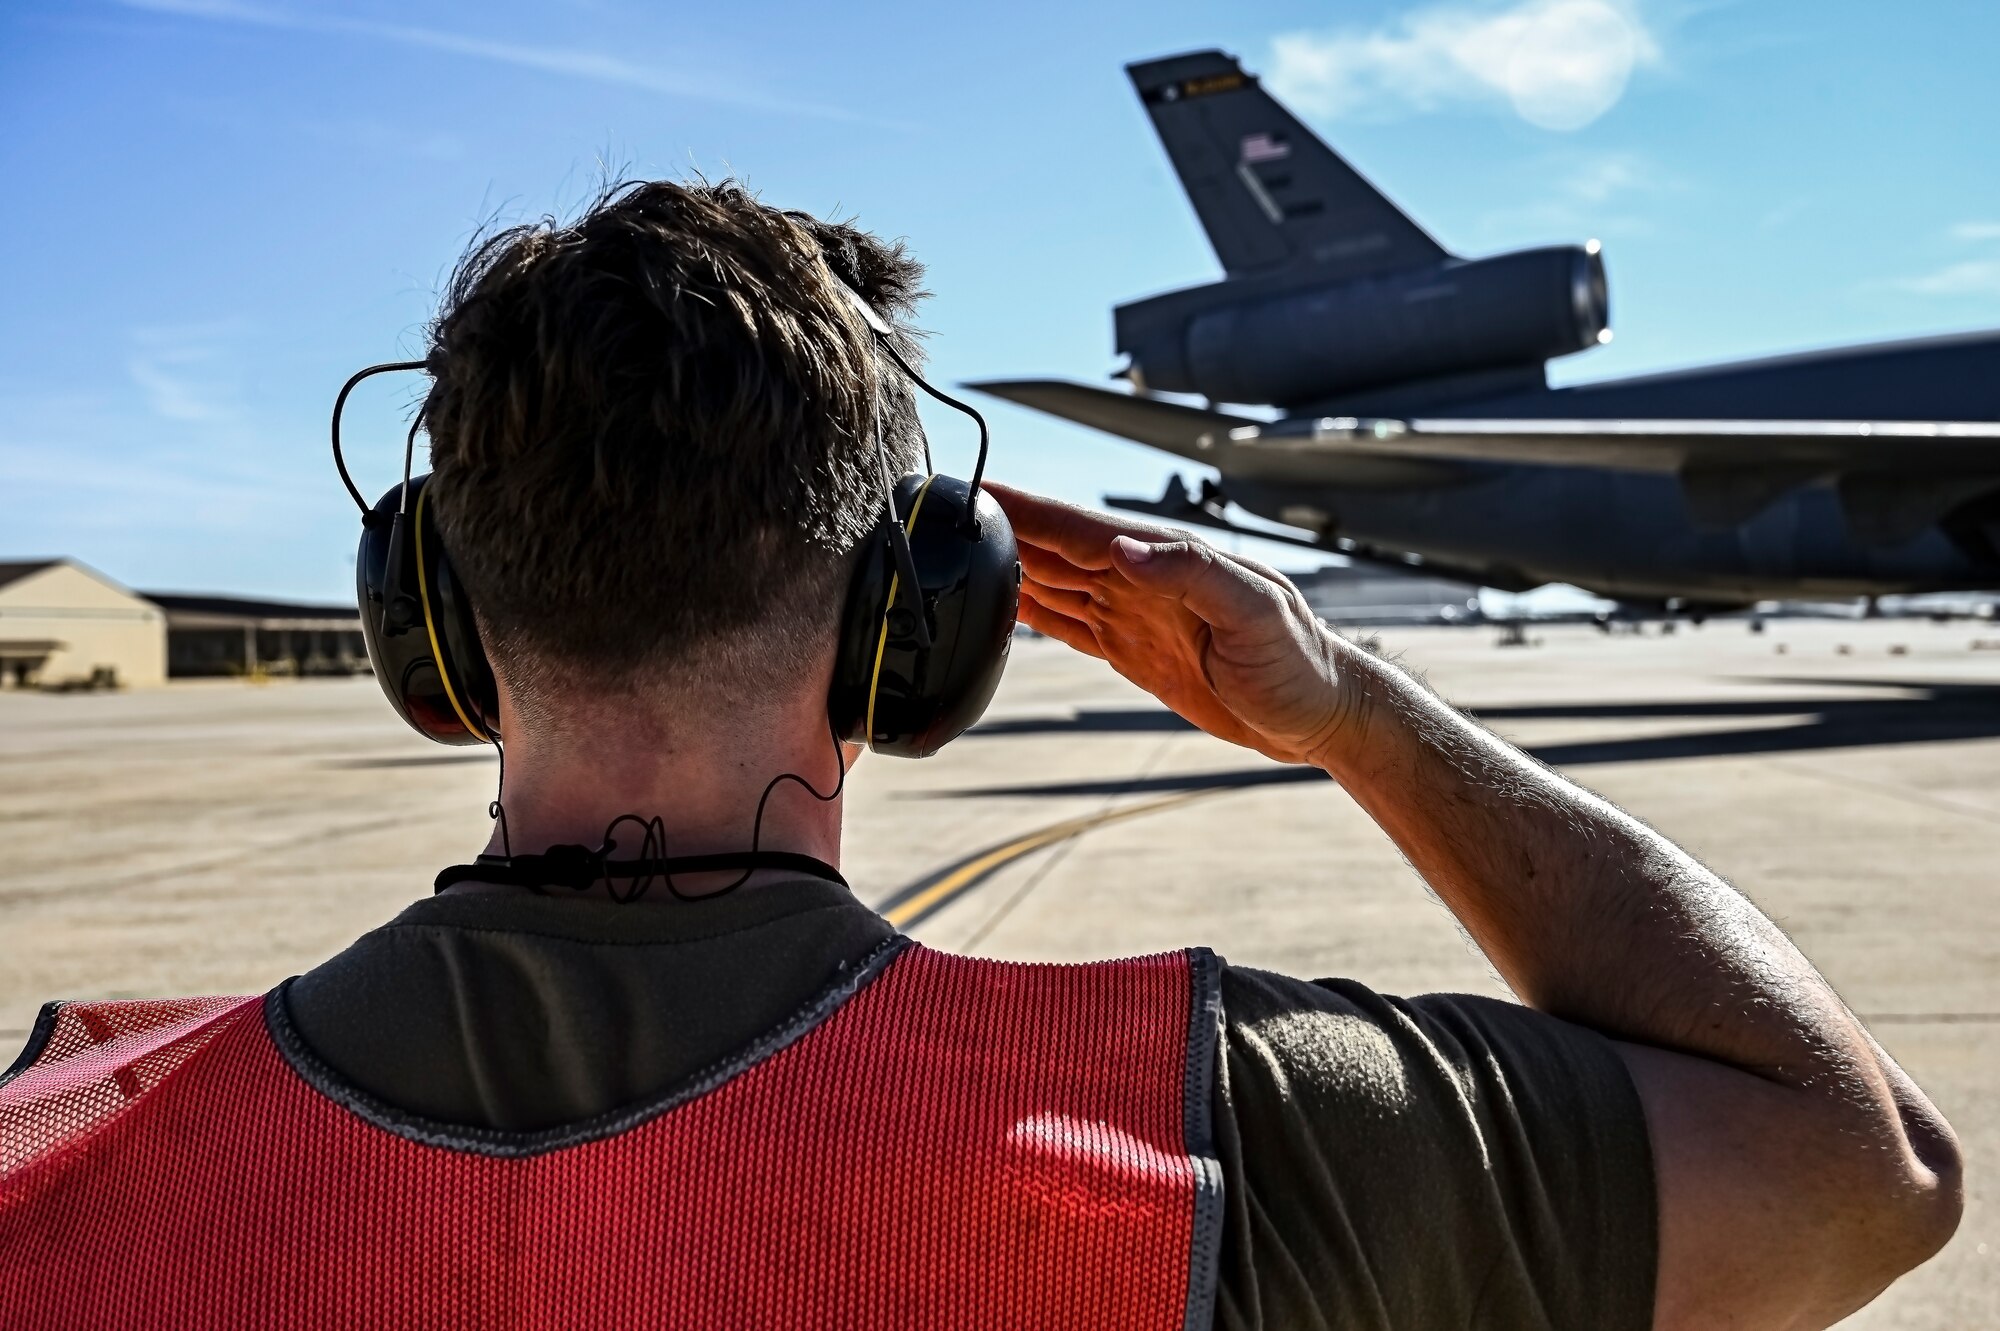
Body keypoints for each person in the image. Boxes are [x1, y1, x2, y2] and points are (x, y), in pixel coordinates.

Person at [0, 181, 1961, 1329]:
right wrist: (1355, 711)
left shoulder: (58, 1148)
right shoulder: (1204, 1139)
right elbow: (1863, 1172)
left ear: (424, 616)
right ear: (908, 630)